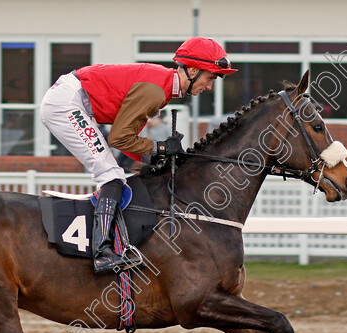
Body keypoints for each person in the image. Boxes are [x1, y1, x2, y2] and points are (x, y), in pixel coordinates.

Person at [40, 37, 236, 273]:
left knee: (114, 173)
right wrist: (160, 149)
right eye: (210, 78)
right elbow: (119, 139)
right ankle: (102, 253)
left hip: (72, 99)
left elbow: (126, 141)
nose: (209, 87)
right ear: (193, 70)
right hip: (67, 103)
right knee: (111, 176)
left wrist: (156, 156)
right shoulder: (155, 90)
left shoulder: (161, 85)